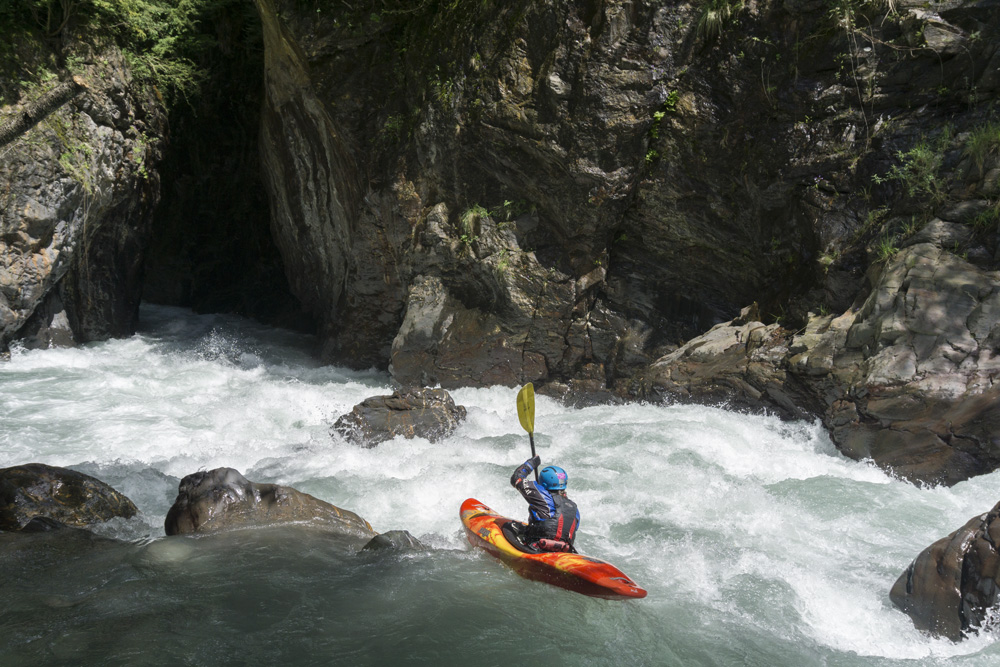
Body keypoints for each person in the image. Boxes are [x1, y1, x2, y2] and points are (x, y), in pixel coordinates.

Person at [509, 455, 580, 552]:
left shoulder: (541, 494)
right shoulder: (574, 508)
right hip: (564, 551)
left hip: (536, 548)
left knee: (509, 526)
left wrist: (531, 463)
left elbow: (516, 479)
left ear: (544, 483)